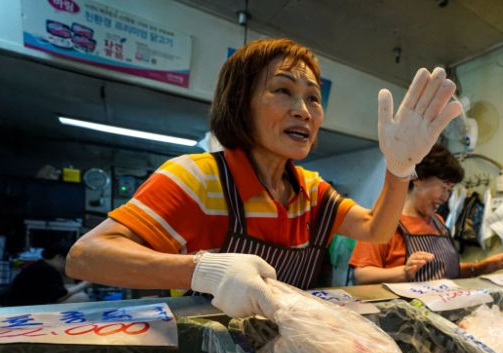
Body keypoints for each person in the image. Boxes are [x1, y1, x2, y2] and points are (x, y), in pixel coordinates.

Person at [66, 38, 462, 317]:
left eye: (312, 98)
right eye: (282, 90)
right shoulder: (197, 177)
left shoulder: (312, 191)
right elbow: (85, 257)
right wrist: (202, 270)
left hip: (286, 351)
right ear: (241, 103)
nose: (303, 110)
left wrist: (398, 168)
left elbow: (377, 229)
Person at [349, 144, 503, 283]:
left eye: (450, 190)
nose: (446, 197)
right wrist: (404, 272)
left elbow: (444, 272)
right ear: (418, 179)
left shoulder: (438, 222)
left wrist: (482, 267)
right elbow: (362, 275)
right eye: (443, 187)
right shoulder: (384, 221)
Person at [4, 239, 90, 306]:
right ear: (59, 257)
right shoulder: (46, 271)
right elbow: (60, 297)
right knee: (82, 298)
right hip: (24, 310)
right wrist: (86, 283)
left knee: (71, 287)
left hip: (24, 304)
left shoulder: (42, 265)